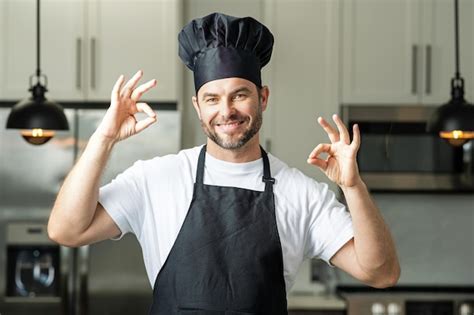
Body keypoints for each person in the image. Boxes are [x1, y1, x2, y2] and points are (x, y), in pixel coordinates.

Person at [48, 12, 400, 314]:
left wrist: (353, 187)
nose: (226, 110)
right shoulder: (157, 179)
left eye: (240, 95)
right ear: (199, 107)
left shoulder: (300, 193)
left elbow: (381, 273)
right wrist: (103, 138)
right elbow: (67, 230)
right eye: (212, 98)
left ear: (262, 98)